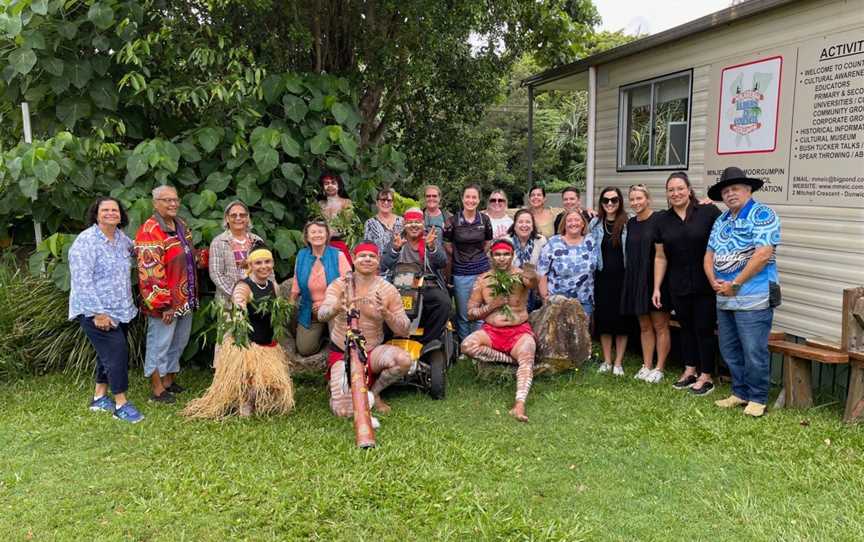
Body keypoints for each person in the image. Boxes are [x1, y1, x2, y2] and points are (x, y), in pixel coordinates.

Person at [183, 246, 295, 419]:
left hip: (268, 343)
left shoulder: (273, 286)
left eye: (267, 262)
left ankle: (257, 400)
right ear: (250, 265)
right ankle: (244, 404)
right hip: (248, 343)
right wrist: (240, 314)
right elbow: (239, 310)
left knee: (269, 381)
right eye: (258, 263)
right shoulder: (243, 287)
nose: (264, 266)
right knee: (248, 376)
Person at [705, 167, 781, 418]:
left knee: (753, 349)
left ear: (748, 190)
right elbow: (709, 255)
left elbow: (763, 254)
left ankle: (758, 398)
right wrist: (713, 281)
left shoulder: (763, 214)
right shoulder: (722, 220)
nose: (730, 194)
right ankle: (739, 392)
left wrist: (735, 284)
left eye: (735, 188)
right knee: (729, 349)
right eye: (726, 191)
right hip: (724, 296)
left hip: (753, 295)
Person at [68, 197, 143, 423]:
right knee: (117, 352)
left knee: (107, 355)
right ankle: (121, 404)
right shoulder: (86, 241)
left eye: (115, 210)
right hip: (97, 311)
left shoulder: (121, 239)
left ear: (121, 215)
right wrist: (97, 313)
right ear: (96, 214)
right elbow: (82, 281)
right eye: (105, 210)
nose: (111, 213)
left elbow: (139, 253)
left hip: (121, 309)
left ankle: (99, 397)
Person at [317, 242, 412, 415]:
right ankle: (338, 386)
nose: (367, 259)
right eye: (362, 256)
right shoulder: (339, 285)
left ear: (378, 260)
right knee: (344, 411)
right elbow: (321, 314)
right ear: (353, 259)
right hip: (343, 352)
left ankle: (374, 393)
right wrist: (336, 307)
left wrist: (386, 313)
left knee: (404, 360)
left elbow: (404, 330)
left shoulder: (388, 290)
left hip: (372, 352)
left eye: (372, 256)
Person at [653, 172, 722, 395]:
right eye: (671, 190)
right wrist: (656, 287)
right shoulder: (662, 220)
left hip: (705, 282)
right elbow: (660, 256)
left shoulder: (708, 212)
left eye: (680, 188)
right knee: (686, 328)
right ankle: (690, 370)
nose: (676, 193)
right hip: (678, 283)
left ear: (689, 190)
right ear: (667, 194)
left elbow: (726, 238)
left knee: (704, 328)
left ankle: (706, 375)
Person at [135, 185, 205, 403]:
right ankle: (157, 389)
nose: (173, 204)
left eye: (175, 199)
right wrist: (163, 305)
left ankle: (168, 381)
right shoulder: (150, 230)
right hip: (165, 303)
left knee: (179, 341)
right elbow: (149, 272)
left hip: (185, 298)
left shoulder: (181, 224)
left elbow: (189, 255)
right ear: (155, 203)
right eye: (167, 200)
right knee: (160, 343)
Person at [461, 239, 538, 422]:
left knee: (526, 356)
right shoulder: (483, 280)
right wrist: (491, 306)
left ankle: (519, 405)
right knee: (467, 345)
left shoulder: (521, 276)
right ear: (491, 256)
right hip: (492, 331)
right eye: (498, 254)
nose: (502, 258)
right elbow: (470, 314)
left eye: (506, 254)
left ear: (512, 256)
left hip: (519, 331)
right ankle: (511, 361)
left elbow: (532, 282)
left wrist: (531, 273)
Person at [620, 185, 671, 384]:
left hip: (656, 280)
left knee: (660, 325)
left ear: (648, 199)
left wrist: (704, 202)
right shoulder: (631, 223)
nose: (636, 203)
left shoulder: (659, 218)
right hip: (636, 279)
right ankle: (647, 365)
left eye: (639, 198)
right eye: (632, 199)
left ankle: (660, 367)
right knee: (644, 326)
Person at [380, 208, 450, 344]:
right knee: (382, 305)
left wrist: (431, 247)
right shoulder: (397, 239)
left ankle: (427, 342)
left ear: (423, 224)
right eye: (410, 222)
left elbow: (442, 262)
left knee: (444, 303)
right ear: (404, 225)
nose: (413, 226)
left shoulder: (430, 238)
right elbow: (384, 265)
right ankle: (388, 340)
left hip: (427, 283)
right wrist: (395, 249)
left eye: (417, 222)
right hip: (401, 283)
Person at [290, 221, 352, 356]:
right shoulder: (301, 255)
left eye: (320, 232)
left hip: (335, 309)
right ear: (307, 237)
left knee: (343, 345)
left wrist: (326, 304)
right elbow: (296, 280)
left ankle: (331, 334)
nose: (317, 235)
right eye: (313, 232)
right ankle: (323, 335)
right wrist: (291, 302)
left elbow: (349, 283)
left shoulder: (338, 255)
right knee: (305, 349)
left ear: (327, 235)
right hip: (310, 310)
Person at [443, 184, 493, 341]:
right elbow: (447, 245)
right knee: (463, 313)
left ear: (479, 200)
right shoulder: (452, 221)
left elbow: (488, 242)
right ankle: (465, 346)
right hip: (461, 272)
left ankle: (478, 344)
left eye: (474, 197)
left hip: (482, 271)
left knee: (480, 311)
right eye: (467, 197)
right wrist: (460, 256)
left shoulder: (484, 219)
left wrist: (476, 257)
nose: (470, 200)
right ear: (462, 198)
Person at [591, 187, 632, 377]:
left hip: (623, 278)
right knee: (605, 321)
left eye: (614, 200)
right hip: (602, 278)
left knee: (622, 321)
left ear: (620, 202)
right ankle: (607, 360)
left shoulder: (628, 223)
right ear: (601, 203)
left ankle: (618, 362)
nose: (609, 204)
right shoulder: (595, 223)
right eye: (606, 200)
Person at [537, 209, 599, 317]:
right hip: (557, 301)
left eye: (577, 220)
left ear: (583, 223)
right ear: (564, 224)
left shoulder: (591, 241)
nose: (573, 223)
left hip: (584, 301)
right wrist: (545, 296)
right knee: (558, 333)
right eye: (569, 220)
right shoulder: (553, 242)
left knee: (581, 333)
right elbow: (542, 271)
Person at [209, 200, 266, 307]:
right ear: (227, 218)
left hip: (257, 301)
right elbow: (216, 274)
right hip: (228, 302)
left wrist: (265, 291)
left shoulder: (257, 240)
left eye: (242, 215)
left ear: (248, 218)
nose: (238, 218)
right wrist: (238, 294)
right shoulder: (218, 242)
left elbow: (268, 268)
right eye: (233, 215)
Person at [508, 209, 547, 312]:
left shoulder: (541, 241)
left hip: (535, 291)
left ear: (532, 225)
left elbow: (543, 268)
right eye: (520, 222)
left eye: (528, 222)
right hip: (511, 291)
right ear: (515, 225)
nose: (524, 225)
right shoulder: (506, 241)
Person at [317, 171, 354, 264]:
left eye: (333, 183)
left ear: (339, 185)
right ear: (322, 187)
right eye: (326, 183)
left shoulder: (346, 203)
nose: (330, 186)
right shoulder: (319, 204)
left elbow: (347, 226)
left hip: (339, 243)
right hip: (320, 244)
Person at [364, 187, 403, 254]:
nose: (386, 202)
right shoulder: (370, 223)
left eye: (389, 200)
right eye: (382, 200)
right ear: (377, 203)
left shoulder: (401, 221)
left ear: (393, 204)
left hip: (400, 261)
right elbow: (368, 247)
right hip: (379, 261)